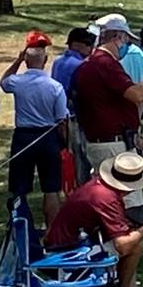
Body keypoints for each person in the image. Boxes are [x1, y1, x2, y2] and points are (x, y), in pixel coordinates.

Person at [43, 152, 143, 287]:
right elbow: (123, 245)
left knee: (131, 237)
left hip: (66, 244)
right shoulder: (106, 198)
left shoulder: (100, 186)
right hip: (67, 257)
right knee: (135, 246)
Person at [73, 16, 143, 206]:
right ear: (117, 37)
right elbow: (136, 94)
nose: (126, 45)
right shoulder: (105, 63)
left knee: (106, 200)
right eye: (126, 40)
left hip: (101, 140)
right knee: (128, 200)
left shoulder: (87, 65)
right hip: (112, 145)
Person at [0, 31, 69, 225]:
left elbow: (4, 82)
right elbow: (61, 119)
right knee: (51, 188)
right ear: (45, 60)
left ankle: (19, 227)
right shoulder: (55, 87)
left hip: (23, 137)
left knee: (19, 189)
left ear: (26, 60)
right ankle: (52, 230)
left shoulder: (18, 82)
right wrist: (65, 143)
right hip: (48, 137)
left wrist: (17, 61)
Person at [52, 27, 96, 184]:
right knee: (81, 159)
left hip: (57, 116)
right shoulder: (81, 65)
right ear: (76, 44)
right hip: (75, 117)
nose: (91, 48)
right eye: (88, 44)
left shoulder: (57, 62)